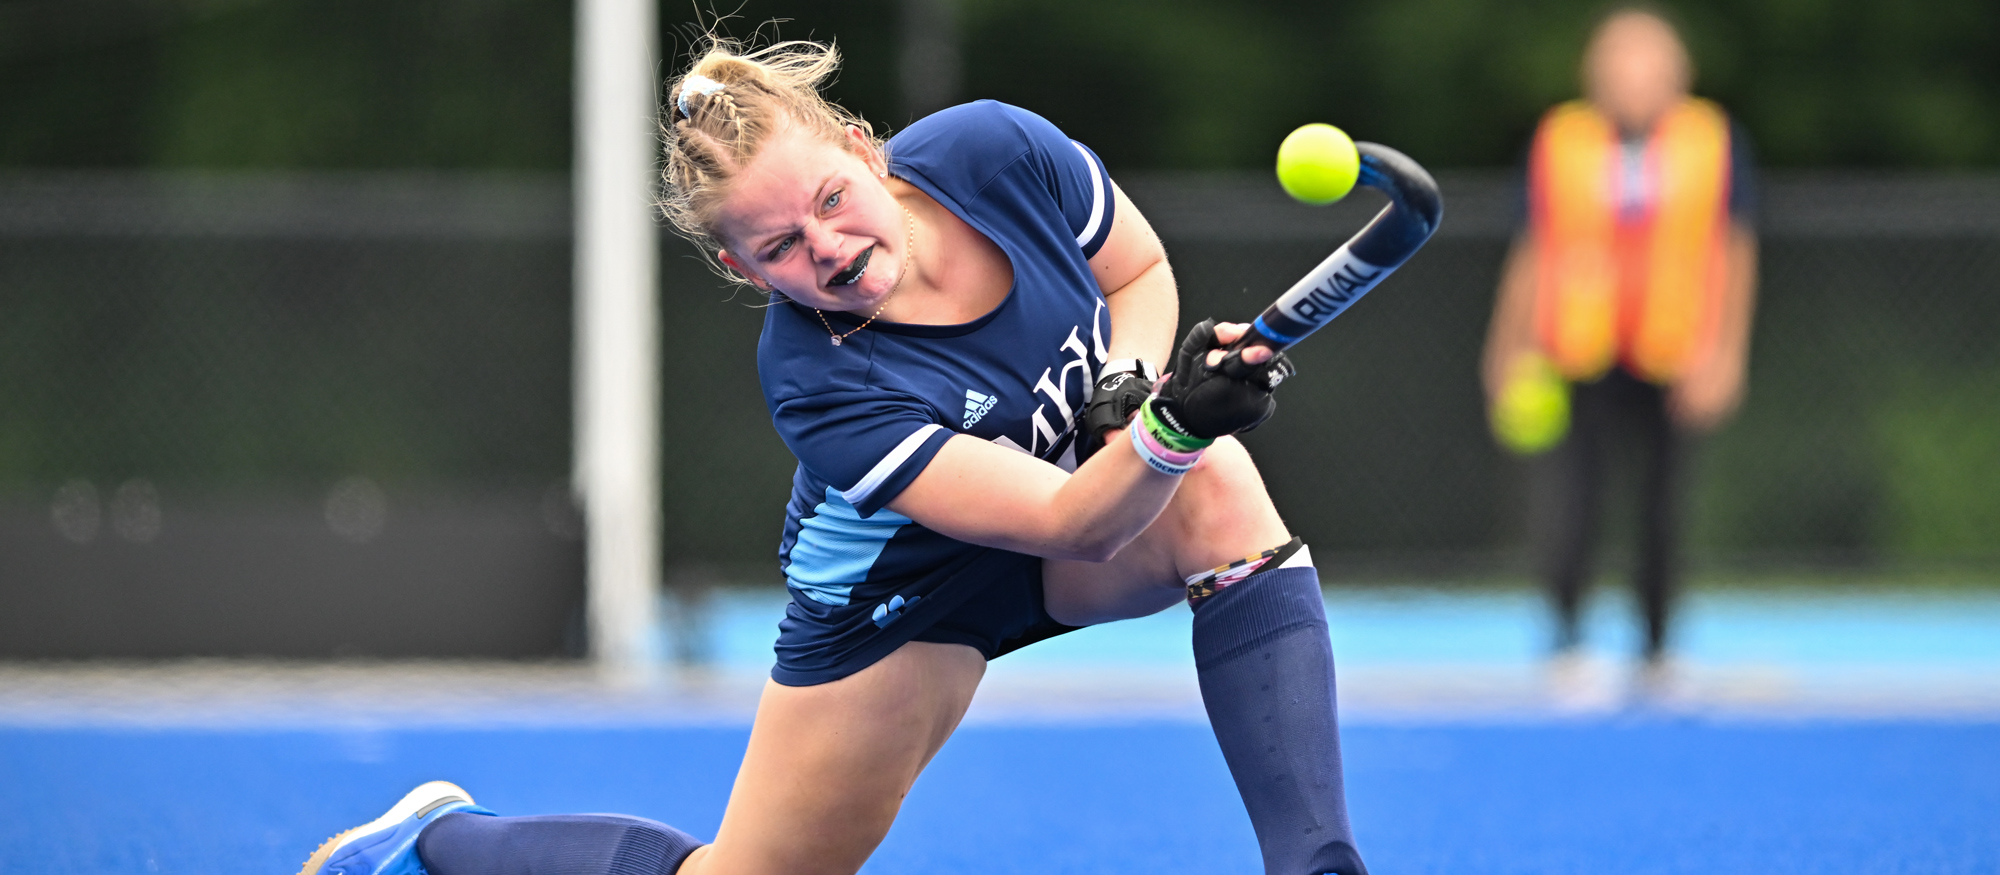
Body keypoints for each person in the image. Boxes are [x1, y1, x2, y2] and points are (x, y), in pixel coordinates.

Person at [299, 36, 1370, 875]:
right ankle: (432, 841)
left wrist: (1129, 394)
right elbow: (1067, 520)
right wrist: (1171, 428)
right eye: (778, 247)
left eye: (829, 199)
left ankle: (1315, 859)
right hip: (899, 606)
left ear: (862, 146)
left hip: (1063, 509)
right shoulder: (817, 381)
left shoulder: (996, 152)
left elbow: (1135, 274)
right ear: (741, 266)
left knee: (1217, 486)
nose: (827, 246)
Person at [1482, 7, 1759, 673]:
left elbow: (1736, 250)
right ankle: (1569, 640)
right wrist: (1506, 345)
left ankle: (1658, 647)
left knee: (1664, 505)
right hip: (1578, 348)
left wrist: (1725, 352)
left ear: (1678, 72)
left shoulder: (1714, 140)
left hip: (1674, 349)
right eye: (1620, 60)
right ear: (1595, 71)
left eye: (1649, 60)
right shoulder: (1560, 139)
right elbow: (1533, 248)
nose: (1633, 75)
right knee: (1572, 498)